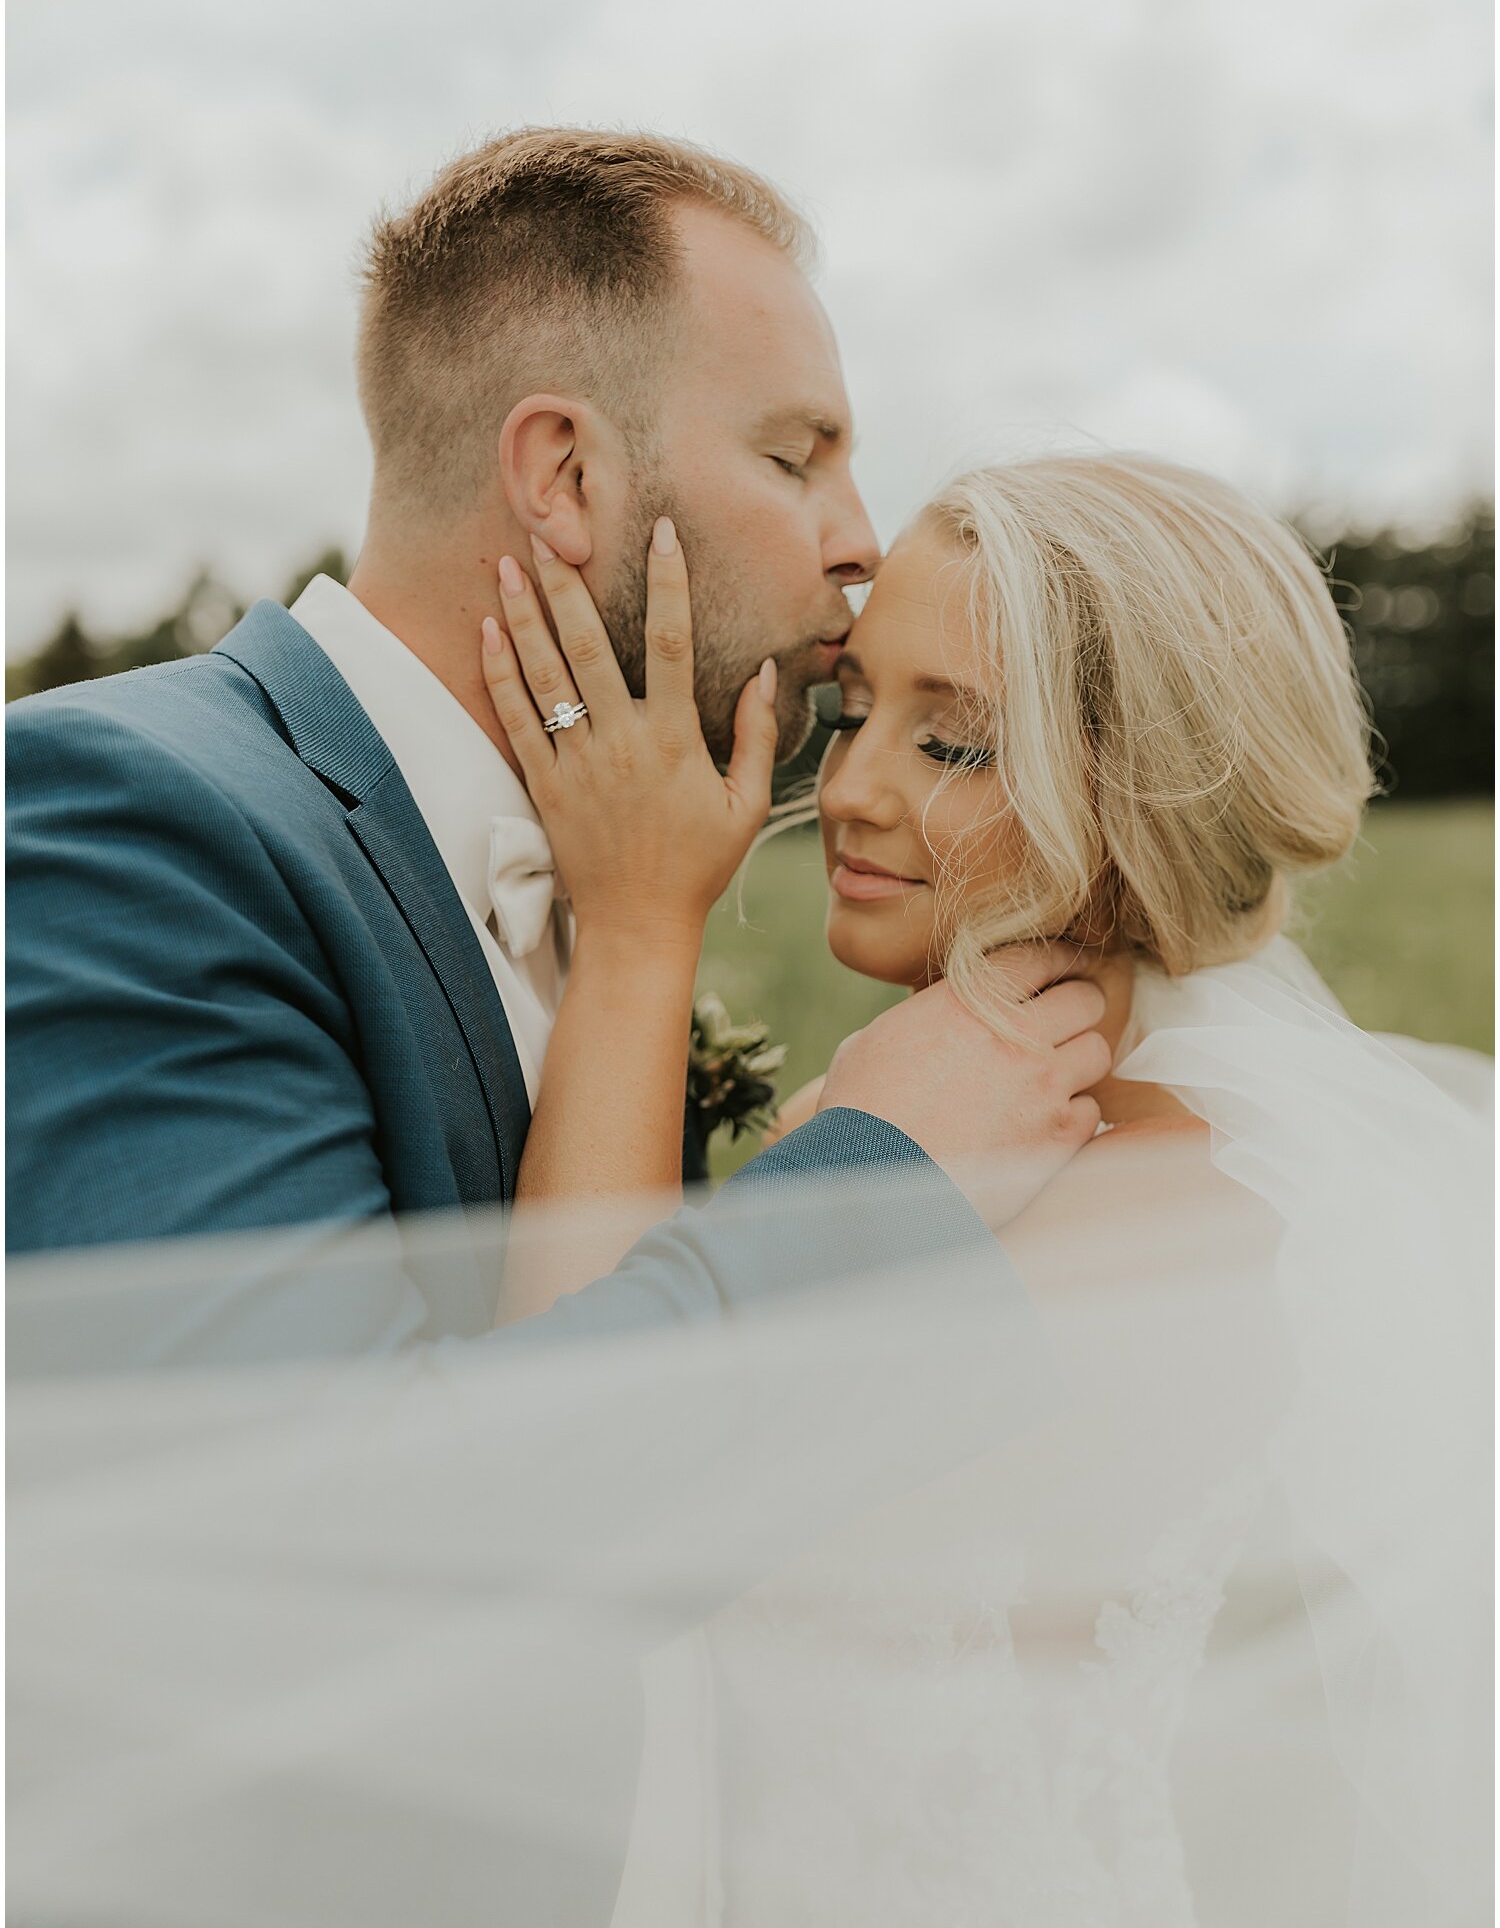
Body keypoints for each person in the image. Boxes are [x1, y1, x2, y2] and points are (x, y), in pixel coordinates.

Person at [482, 451, 1490, 1928]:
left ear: (1149, 790)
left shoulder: (1132, 1223)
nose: (848, 792)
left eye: (949, 742)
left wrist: (642, 931)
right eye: (857, 710)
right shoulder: (977, 1151)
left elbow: (566, 1484)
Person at [5, 127, 1109, 1349]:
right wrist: (881, 1181)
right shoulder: (130, 826)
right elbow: (313, 1499)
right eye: (795, 458)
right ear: (566, 474)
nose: (862, 543)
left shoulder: (623, 857)